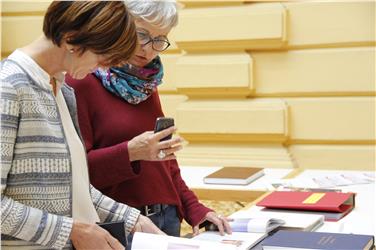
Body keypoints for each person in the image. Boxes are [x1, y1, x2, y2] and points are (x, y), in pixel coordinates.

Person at [0, 2, 164, 250]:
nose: (105, 67)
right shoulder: (9, 87)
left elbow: (73, 187)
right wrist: (73, 231)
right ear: (71, 39)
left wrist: (134, 220)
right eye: (102, 56)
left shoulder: (62, 90)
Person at [66, 0, 232, 242]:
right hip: (121, 225)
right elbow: (74, 175)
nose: (148, 49)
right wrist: (130, 153)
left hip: (168, 218)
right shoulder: (81, 81)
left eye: (159, 39)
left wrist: (196, 209)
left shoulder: (144, 84)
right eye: (141, 34)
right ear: (118, 26)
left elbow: (166, 163)